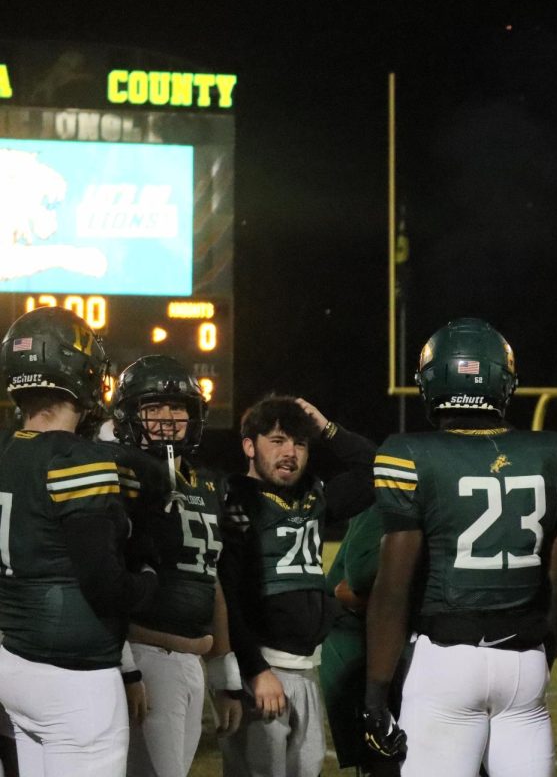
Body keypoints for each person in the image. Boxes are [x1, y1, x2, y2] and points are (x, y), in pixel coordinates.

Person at [363, 318, 557, 777]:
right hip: (525, 666)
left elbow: (392, 588)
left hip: (447, 659)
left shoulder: (410, 453)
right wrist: (547, 631)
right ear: (504, 380)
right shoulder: (552, 451)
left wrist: (376, 691)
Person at [0, 306, 157, 776]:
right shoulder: (75, 459)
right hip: (72, 677)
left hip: (15, 661)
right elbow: (105, 584)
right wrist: (148, 579)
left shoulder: (10, 452)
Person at [217, 394, 376, 777]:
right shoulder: (234, 501)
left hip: (305, 669)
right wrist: (254, 670)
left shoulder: (313, 497)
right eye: (277, 441)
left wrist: (328, 428)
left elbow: (380, 468)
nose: (290, 452)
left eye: (300, 443)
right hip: (264, 669)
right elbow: (226, 598)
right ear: (249, 446)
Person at [109, 354, 244, 777]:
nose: (168, 418)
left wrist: (226, 673)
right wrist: (125, 664)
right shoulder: (118, 474)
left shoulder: (206, 483)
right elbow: (102, 575)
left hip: (190, 662)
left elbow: (210, 577)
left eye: (178, 407)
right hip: (147, 656)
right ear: (130, 415)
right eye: (153, 408)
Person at [319, 505, 400, 776]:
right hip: (358, 648)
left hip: (383, 646)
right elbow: (351, 587)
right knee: (382, 757)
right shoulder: (383, 501)